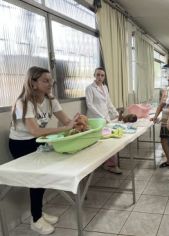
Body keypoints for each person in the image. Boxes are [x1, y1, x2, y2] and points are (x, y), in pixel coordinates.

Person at [9, 66, 78, 235]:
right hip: (21, 144)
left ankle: (37, 212)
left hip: (38, 141)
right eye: (45, 81)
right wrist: (64, 129)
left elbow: (66, 120)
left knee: (41, 179)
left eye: (51, 80)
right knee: (36, 180)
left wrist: (78, 123)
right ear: (33, 83)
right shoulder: (22, 103)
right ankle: (36, 219)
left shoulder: (51, 100)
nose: (50, 83)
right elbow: (34, 130)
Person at [85, 67, 122, 174]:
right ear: (94, 75)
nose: (100, 77)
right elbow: (90, 105)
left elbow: (108, 103)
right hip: (95, 120)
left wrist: (116, 113)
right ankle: (100, 164)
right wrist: (102, 117)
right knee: (98, 142)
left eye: (102, 75)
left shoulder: (105, 87)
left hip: (106, 119)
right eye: (98, 75)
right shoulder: (90, 88)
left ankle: (110, 164)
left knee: (109, 140)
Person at [151, 73, 169, 170]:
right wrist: (155, 116)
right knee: (163, 139)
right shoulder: (166, 91)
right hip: (165, 118)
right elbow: (161, 105)